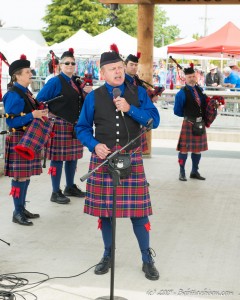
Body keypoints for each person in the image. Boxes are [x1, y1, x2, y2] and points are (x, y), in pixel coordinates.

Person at [75, 46, 160, 281]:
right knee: (106, 213)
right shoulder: (93, 97)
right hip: (104, 160)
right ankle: (108, 254)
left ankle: (147, 258)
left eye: (120, 68)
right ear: (102, 73)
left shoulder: (138, 93)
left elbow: (155, 121)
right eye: (112, 69)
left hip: (130, 158)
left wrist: (130, 109)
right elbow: (80, 128)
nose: (118, 72)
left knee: (139, 213)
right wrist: (94, 145)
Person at [37, 48, 92, 204]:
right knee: (57, 159)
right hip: (60, 124)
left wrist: (87, 92)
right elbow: (40, 99)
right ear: (60, 65)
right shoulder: (55, 81)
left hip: (75, 125)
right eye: (66, 63)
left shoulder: (75, 81)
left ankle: (69, 186)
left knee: (72, 158)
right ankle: (55, 192)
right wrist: (49, 113)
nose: (70, 65)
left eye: (72, 63)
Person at [3, 54, 48, 225]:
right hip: (19, 139)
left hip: (28, 139)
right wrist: (32, 115)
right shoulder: (13, 94)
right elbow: (11, 121)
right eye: (28, 72)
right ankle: (17, 212)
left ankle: (21, 208)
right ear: (17, 75)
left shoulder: (26, 92)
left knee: (25, 176)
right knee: (19, 178)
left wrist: (39, 112)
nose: (31, 74)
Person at [174, 64, 209, 182]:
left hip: (200, 123)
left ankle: (194, 171)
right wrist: (189, 116)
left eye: (194, 76)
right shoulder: (181, 93)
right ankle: (182, 172)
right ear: (185, 78)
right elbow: (177, 111)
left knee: (197, 149)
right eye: (189, 77)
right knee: (184, 150)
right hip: (188, 123)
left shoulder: (199, 89)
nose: (192, 78)